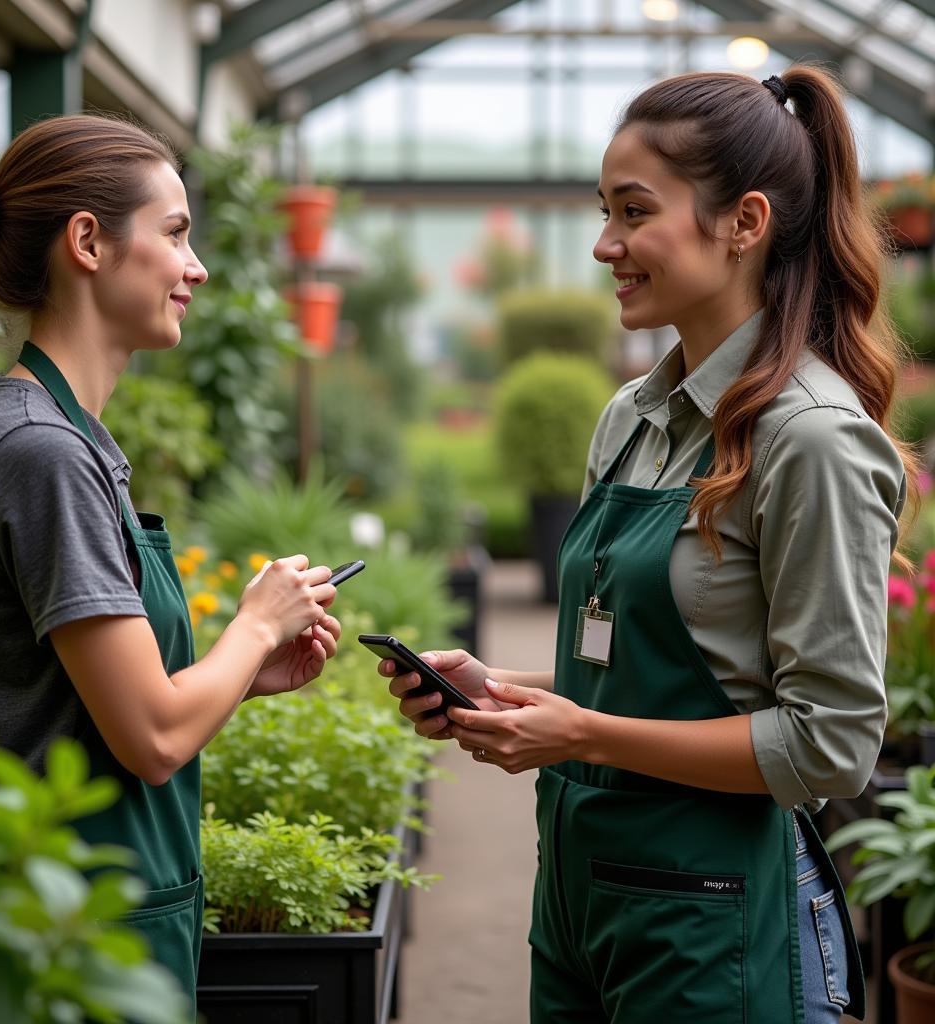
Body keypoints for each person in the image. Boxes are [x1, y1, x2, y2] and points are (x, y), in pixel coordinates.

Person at [387, 67, 917, 1024]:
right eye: (604, 210)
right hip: (584, 904)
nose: (604, 245)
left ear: (745, 222)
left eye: (634, 212)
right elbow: (635, 674)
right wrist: (511, 696)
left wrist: (582, 734)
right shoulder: (633, 419)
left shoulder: (811, 438)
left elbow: (831, 744)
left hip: (719, 927)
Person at [0, 114, 341, 1012]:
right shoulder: (42, 452)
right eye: (176, 233)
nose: (195, 268)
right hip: (67, 939)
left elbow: (99, 712)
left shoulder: (67, 438)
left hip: (96, 916)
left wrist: (242, 676)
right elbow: (151, 739)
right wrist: (255, 621)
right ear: (87, 242)